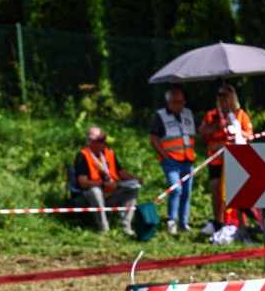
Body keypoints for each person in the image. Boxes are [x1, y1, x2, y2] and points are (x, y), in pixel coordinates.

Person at [197, 84, 253, 230]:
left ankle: (238, 223)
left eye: (224, 95)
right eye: (219, 95)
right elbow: (202, 136)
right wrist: (212, 127)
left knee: (236, 192)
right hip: (216, 160)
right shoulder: (211, 115)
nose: (221, 98)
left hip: (235, 161)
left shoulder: (240, 115)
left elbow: (250, 136)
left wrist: (236, 131)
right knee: (216, 192)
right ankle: (218, 221)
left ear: (232, 97)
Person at [74, 126, 141, 236]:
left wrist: (134, 180)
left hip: (111, 193)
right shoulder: (83, 156)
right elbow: (83, 182)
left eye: (104, 139)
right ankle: (104, 228)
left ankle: (125, 225)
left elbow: (121, 172)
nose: (104, 143)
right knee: (95, 191)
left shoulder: (109, 153)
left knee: (133, 189)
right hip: (90, 197)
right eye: (100, 141)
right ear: (90, 142)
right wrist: (103, 184)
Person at [148, 87, 196, 235]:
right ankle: (171, 221)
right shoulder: (160, 116)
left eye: (182, 102)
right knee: (176, 189)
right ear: (169, 102)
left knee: (186, 192)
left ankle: (184, 223)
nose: (180, 105)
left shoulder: (188, 113)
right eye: (176, 102)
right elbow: (153, 138)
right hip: (171, 160)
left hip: (187, 159)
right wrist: (165, 156)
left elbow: (201, 129)